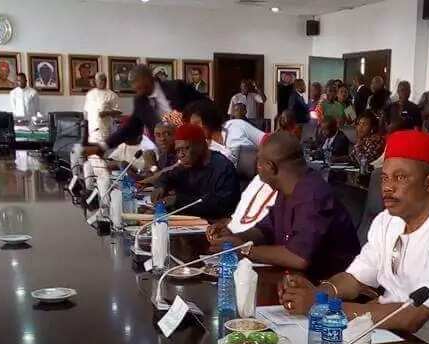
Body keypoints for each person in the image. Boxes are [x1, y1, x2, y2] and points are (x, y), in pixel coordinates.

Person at [279, 130, 429, 344]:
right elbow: (354, 279)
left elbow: (412, 317)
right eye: (384, 178)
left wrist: (323, 307)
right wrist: (318, 293)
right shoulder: (387, 221)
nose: (387, 188)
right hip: (397, 343)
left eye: (400, 178)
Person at [207, 132, 361, 279]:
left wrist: (244, 250)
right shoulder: (286, 190)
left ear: (269, 167)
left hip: (328, 292)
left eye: (258, 162)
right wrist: (233, 236)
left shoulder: (313, 195)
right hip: (294, 281)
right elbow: (265, 231)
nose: (256, 168)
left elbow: (298, 257)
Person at [83, 65, 205, 158]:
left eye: (136, 82)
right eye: (132, 84)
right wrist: (103, 147)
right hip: (167, 152)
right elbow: (130, 128)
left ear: (147, 78)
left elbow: (204, 103)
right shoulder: (140, 102)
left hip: (193, 145)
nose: (134, 87)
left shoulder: (177, 87)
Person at [154, 123, 239, 220]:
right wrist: (160, 187)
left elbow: (222, 205)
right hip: (189, 222)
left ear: (201, 145)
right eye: (178, 151)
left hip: (216, 224)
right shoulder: (189, 165)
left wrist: (178, 200)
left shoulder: (222, 167)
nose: (181, 155)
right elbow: (167, 176)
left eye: (185, 148)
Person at [186, 100, 236, 164]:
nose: (194, 129)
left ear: (209, 121)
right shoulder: (202, 147)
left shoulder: (233, 127)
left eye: (196, 124)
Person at [83, 72, 121, 144]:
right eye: (99, 80)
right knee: (92, 153)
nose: (101, 82)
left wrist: (107, 113)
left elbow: (118, 113)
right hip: (91, 131)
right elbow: (86, 111)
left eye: (103, 80)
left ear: (106, 81)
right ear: (96, 81)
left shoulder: (112, 95)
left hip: (104, 131)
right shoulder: (90, 94)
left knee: (102, 153)